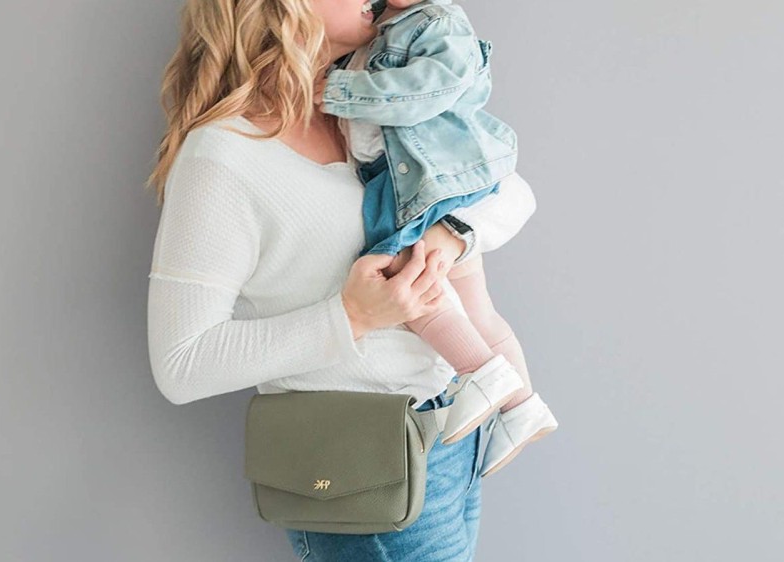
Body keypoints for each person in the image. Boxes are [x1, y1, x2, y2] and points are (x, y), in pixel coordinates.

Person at [145, 0, 536, 559]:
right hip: (365, 465)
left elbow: (510, 188)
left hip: (453, 435)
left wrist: (450, 232)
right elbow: (181, 365)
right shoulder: (224, 156)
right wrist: (353, 316)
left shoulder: (376, 106)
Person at [315, 0, 558, 466]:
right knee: (476, 308)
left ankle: (481, 372)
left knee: (401, 275)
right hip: (423, 180)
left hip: (423, 180)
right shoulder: (383, 23)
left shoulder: (438, 24)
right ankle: (523, 409)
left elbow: (428, 91)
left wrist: (336, 92)